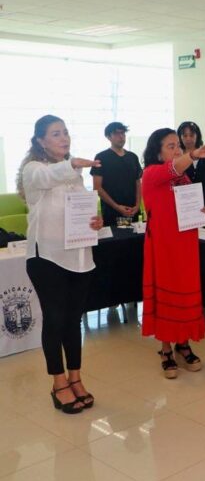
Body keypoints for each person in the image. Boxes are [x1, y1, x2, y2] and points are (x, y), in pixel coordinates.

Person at [18, 115, 103, 414]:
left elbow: (81, 210)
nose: (64, 138)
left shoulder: (72, 174)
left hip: (78, 257)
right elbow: (47, 177)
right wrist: (74, 164)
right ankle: (58, 382)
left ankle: (75, 377)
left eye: (66, 132)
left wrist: (94, 221)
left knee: (73, 320)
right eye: (56, 133)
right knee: (54, 319)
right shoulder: (34, 169)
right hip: (47, 257)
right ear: (40, 140)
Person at [142, 128, 205, 378]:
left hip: (186, 242)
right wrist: (193, 154)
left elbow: (186, 202)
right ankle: (166, 349)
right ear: (157, 152)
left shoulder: (183, 177)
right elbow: (172, 169)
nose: (177, 150)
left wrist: (200, 211)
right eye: (171, 146)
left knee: (185, 290)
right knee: (166, 291)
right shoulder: (151, 173)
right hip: (163, 245)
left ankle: (183, 343)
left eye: (178, 146)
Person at [91, 122, 142, 226]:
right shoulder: (101, 157)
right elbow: (97, 188)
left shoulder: (132, 157)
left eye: (123, 133)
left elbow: (138, 183)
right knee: (117, 236)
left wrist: (137, 205)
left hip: (132, 211)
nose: (121, 137)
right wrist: (117, 207)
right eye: (116, 134)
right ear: (108, 137)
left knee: (133, 235)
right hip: (112, 213)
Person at [177, 121, 205, 220]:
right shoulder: (178, 157)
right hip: (183, 208)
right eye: (185, 135)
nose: (188, 138)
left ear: (197, 136)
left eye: (191, 135)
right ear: (180, 137)